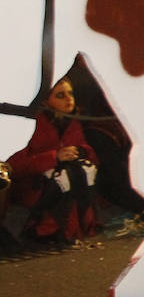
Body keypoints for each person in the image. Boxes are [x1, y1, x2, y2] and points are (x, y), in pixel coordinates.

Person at [5, 80, 100, 246]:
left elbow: (90, 153)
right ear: (45, 101)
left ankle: (76, 228)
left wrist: (82, 151)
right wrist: (54, 157)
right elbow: (15, 165)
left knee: (81, 171)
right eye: (60, 95)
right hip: (32, 185)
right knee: (65, 176)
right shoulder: (32, 124)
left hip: (63, 180)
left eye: (70, 93)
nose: (69, 99)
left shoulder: (72, 121)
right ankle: (47, 229)